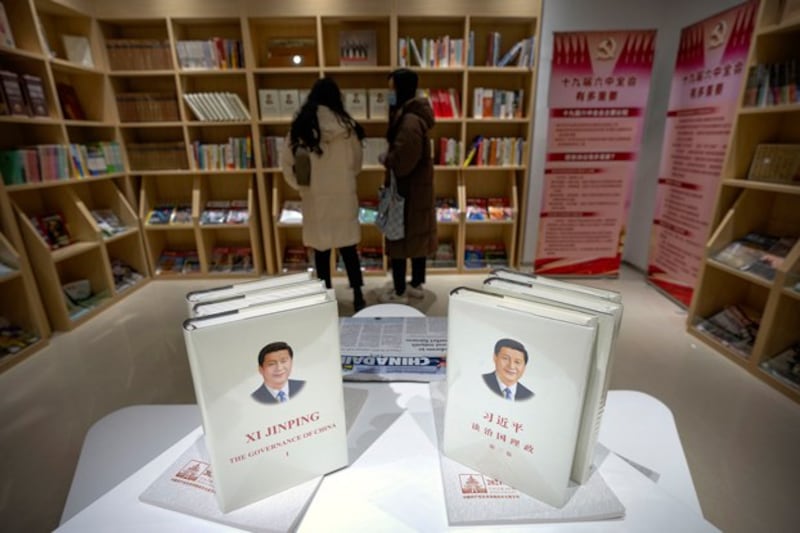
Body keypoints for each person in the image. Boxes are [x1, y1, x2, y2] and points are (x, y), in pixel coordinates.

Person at [281, 77, 367, 311]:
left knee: (321, 252)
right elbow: (357, 164)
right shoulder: (347, 128)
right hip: (343, 196)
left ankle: (325, 298)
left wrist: (303, 188)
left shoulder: (300, 126)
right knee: (349, 250)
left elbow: (287, 165)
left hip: (316, 199)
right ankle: (358, 295)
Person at [378, 68, 437, 303]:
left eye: (391, 88)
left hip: (406, 193)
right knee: (415, 237)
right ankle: (415, 284)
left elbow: (403, 162)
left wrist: (388, 159)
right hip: (415, 192)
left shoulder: (409, 121)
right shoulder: (412, 116)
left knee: (400, 239)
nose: (389, 94)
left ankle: (401, 290)